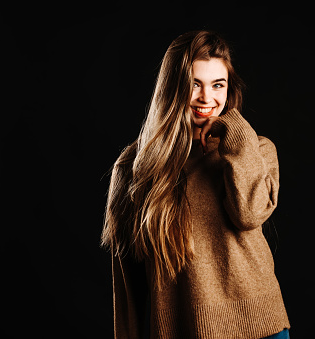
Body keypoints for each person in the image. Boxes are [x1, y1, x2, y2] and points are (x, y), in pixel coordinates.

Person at [101, 30, 290, 339]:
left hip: (262, 329)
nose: (207, 97)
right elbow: (127, 279)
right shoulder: (134, 167)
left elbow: (249, 214)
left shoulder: (256, 150)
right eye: (194, 84)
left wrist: (235, 133)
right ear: (173, 89)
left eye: (219, 85)